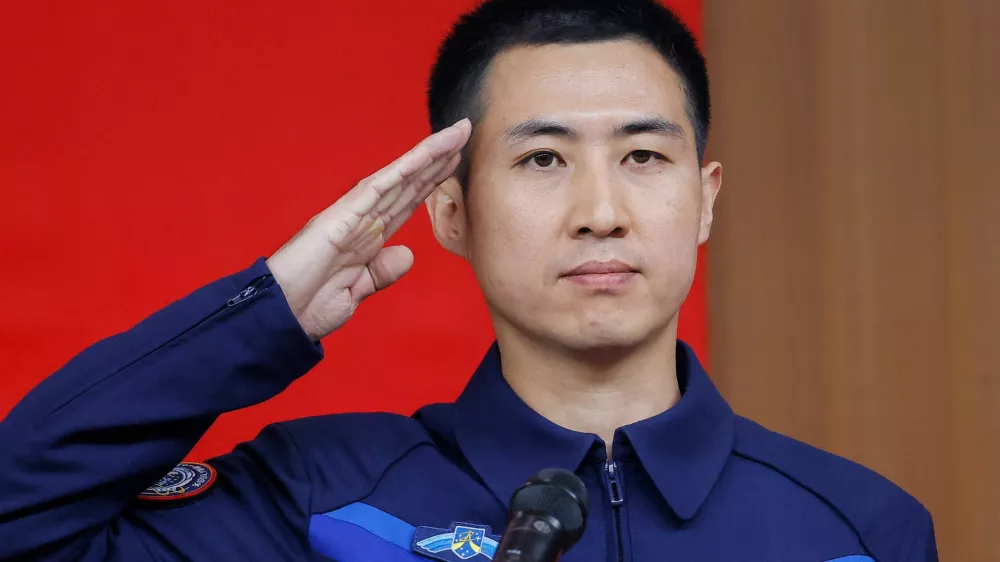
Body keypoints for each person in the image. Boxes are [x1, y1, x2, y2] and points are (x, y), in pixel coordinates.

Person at [0, 0, 937, 560]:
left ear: (704, 198)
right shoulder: (319, 502)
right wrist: (267, 309)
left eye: (646, 156)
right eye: (541, 162)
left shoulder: (859, 527)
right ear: (450, 212)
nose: (601, 210)